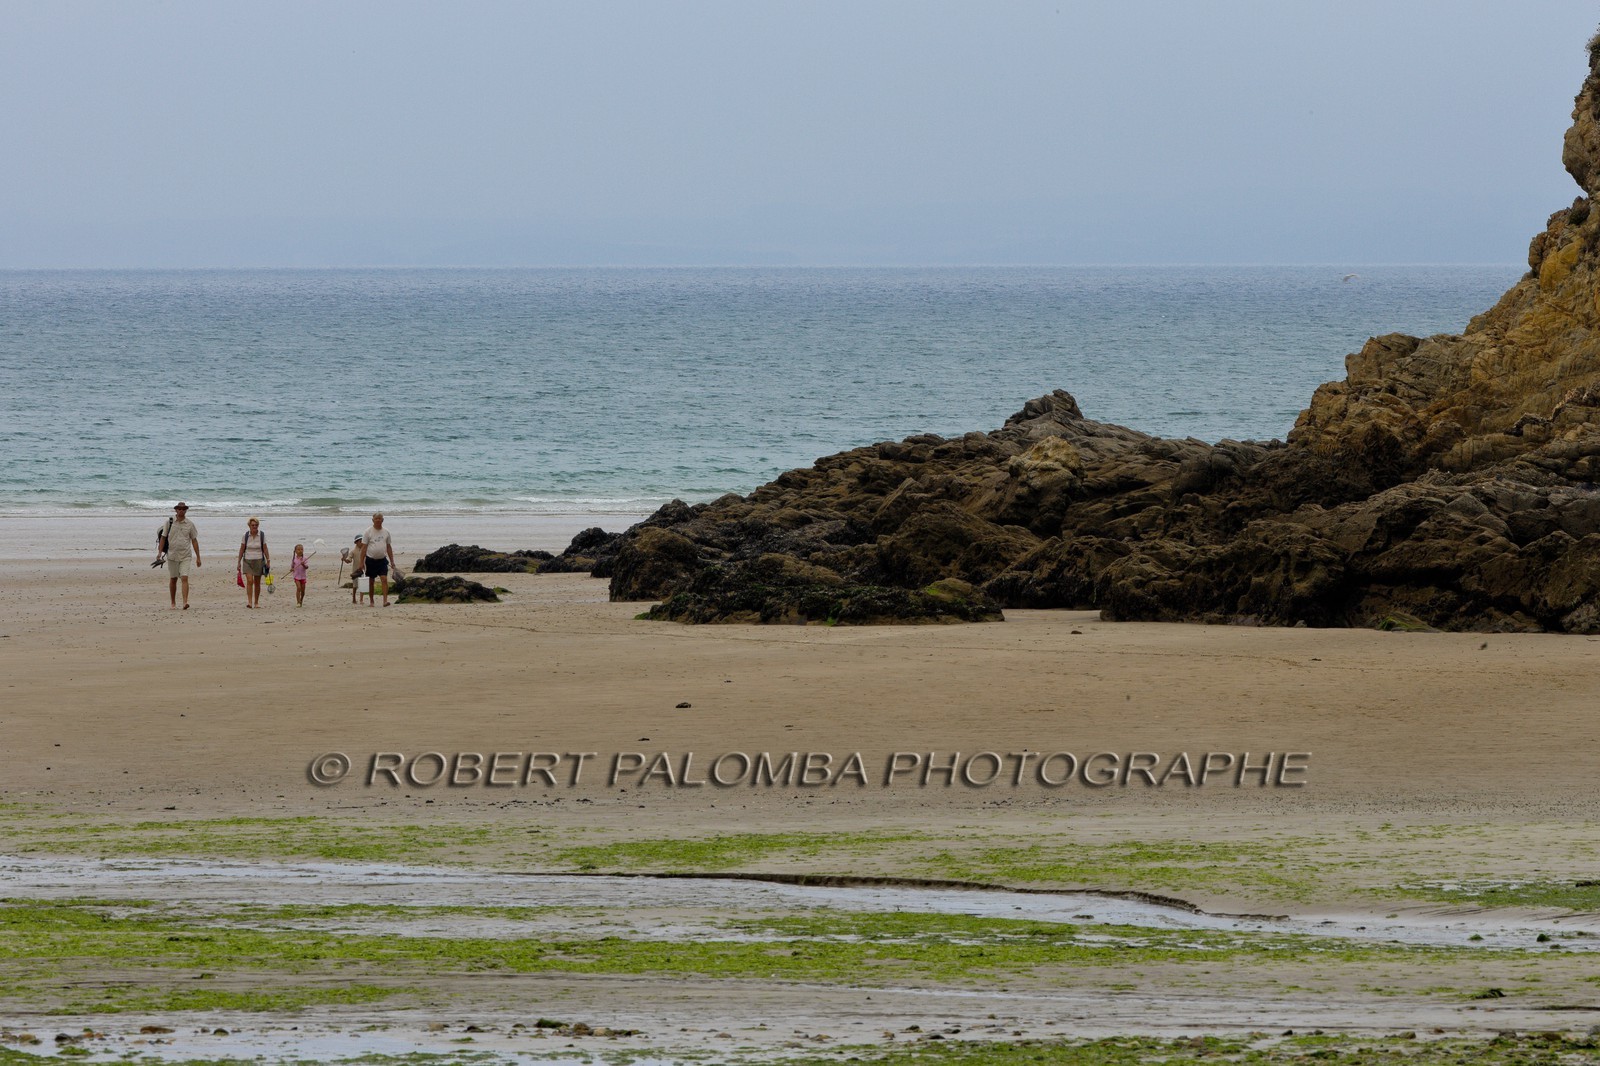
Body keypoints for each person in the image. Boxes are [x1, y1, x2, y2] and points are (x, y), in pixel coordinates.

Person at [162, 502, 201, 610]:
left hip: (185, 555)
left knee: (184, 577)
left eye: (183, 509)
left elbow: (194, 540)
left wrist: (198, 557)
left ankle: (185, 602)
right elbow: (163, 538)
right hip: (172, 555)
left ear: (186, 510)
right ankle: (173, 603)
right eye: (179, 509)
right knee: (173, 579)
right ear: (176, 510)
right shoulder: (169, 522)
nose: (181, 510)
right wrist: (159, 553)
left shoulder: (190, 524)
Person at [358, 512, 396, 606]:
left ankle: (385, 601)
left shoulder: (386, 531)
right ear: (373, 520)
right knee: (371, 581)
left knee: (384, 579)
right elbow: (363, 548)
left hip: (382, 560)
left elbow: (388, 547)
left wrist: (392, 561)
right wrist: (361, 562)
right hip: (370, 560)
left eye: (380, 518)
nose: (378, 520)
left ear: (383, 520)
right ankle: (371, 601)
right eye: (376, 519)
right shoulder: (368, 531)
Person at [236, 517, 270, 609]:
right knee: (250, 581)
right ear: (249, 526)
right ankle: (250, 602)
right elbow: (242, 549)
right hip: (247, 560)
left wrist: (268, 560)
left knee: (257, 582)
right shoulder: (245, 535)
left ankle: (256, 603)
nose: (254, 526)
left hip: (259, 560)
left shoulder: (262, 535)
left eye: (256, 525)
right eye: (252, 525)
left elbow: (265, 548)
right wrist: (238, 562)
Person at [342, 535, 364, 604]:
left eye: (362, 541)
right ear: (356, 542)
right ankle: (354, 598)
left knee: (362, 585)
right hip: (355, 570)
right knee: (355, 585)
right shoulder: (353, 551)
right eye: (360, 541)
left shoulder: (365, 550)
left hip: (364, 569)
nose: (362, 542)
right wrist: (345, 560)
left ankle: (361, 599)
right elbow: (349, 560)